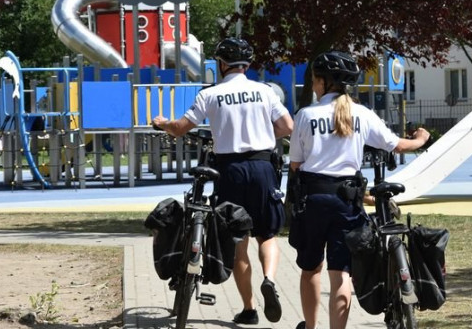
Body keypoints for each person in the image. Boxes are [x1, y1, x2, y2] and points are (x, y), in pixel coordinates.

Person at [151, 37, 294, 324]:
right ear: (247, 65)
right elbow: (287, 126)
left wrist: (163, 122)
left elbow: (181, 128)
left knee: (238, 239)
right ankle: (269, 279)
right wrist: (263, 136)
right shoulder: (264, 91)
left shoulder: (211, 94)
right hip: (262, 167)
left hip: (229, 171)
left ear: (222, 64)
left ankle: (249, 309)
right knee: (266, 234)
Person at [288, 51, 430, 329]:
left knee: (310, 269)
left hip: (313, 200)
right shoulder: (362, 114)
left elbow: (295, 164)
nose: (313, 85)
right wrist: (421, 139)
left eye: (315, 80)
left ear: (323, 82)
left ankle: (310, 326)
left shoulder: (306, 115)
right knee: (340, 275)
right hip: (347, 202)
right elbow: (397, 145)